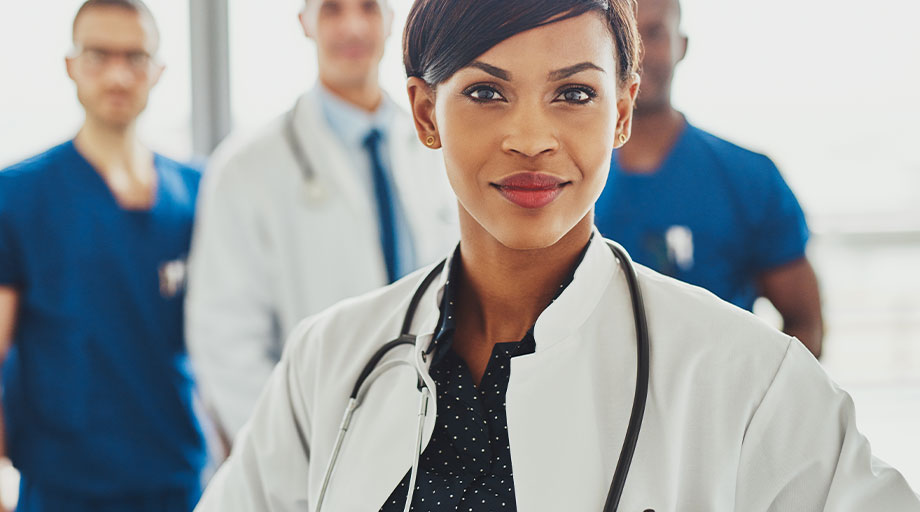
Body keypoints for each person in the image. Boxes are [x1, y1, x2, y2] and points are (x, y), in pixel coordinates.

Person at [193, 0, 920, 510]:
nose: (532, 136)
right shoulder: (329, 362)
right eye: (485, 91)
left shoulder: (749, 379)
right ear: (424, 113)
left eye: (573, 92)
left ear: (623, 112)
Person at [0, 1, 208, 510]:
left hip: (182, 482)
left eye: (134, 57)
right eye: (98, 55)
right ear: (71, 66)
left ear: (158, 70)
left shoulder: (198, 193)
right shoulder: (12, 198)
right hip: (64, 490)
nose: (117, 73)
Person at [185, 0, 458, 439]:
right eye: (332, 9)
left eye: (368, 8)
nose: (352, 26)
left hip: (442, 427)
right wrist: (293, 452)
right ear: (305, 22)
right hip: (320, 439)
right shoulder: (246, 169)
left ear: (391, 22)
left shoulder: (441, 145)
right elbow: (224, 341)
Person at [594, 0, 824, 357]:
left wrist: (757, 408)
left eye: (654, 33)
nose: (638, 54)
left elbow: (805, 324)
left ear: (681, 45)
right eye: (625, 37)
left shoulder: (750, 178)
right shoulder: (564, 179)